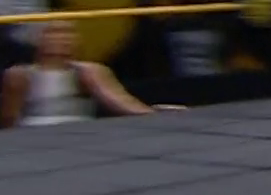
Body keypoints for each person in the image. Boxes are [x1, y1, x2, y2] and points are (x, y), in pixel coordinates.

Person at [0, 20, 178, 127]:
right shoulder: (19, 75)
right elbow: (9, 120)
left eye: (68, 32)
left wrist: (154, 115)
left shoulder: (89, 71)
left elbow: (119, 101)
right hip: (34, 137)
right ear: (38, 38)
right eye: (53, 32)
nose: (61, 38)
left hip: (80, 133)